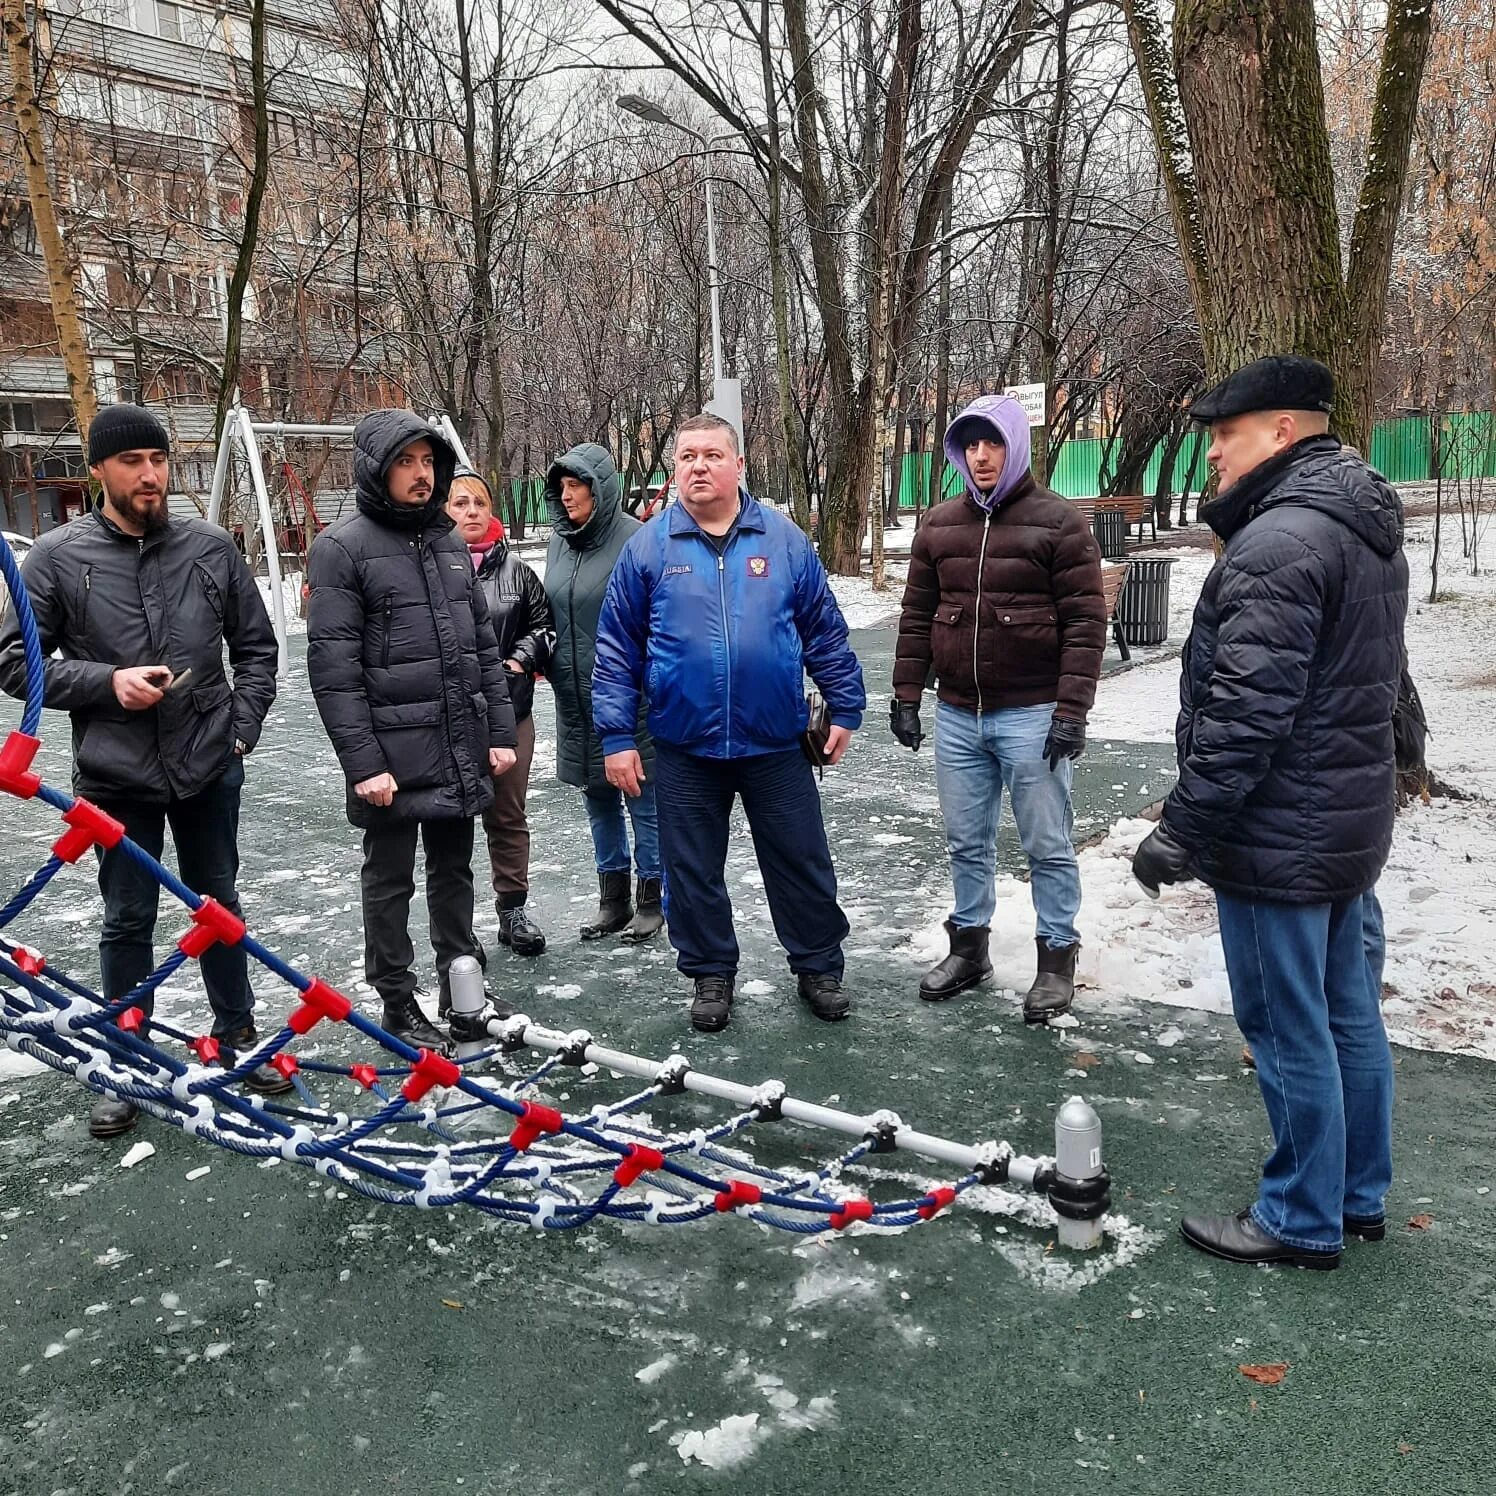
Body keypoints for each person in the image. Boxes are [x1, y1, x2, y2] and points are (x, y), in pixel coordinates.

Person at [1131, 355, 1407, 1271]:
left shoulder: (1280, 540)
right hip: (1346, 819)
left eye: (1225, 436)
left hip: (1281, 829)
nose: (1212, 454)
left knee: (1290, 1023)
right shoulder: (1360, 519)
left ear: (1282, 431)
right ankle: (1355, 1195)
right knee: (1347, 1013)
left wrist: (1183, 831)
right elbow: (1383, 682)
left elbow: (1246, 714)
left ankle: (1299, 1216)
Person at [0, 402, 284, 1138]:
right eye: (134, 462)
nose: (151, 475)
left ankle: (238, 1037)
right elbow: (12, 662)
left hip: (208, 762)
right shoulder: (57, 558)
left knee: (218, 901)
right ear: (99, 470)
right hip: (117, 777)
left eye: (159, 460)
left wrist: (241, 734)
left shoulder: (211, 547)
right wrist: (105, 683)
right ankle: (126, 1056)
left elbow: (256, 650)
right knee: (127, 916)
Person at [593, 412, 866, 1032]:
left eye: (712, 455)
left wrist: (844, 704)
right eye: (687, 456)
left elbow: (823, 629)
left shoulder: (784, 541)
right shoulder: (648, 548)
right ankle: (711, 973)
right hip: (686, 744)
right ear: (675, 468)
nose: (698, 466)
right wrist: (616, 737)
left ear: (739, 465)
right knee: (691, 872)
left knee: (800, 861)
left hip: (774, 741)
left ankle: (818, 966)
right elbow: (616, 649)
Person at [307, 413, 517, 1048]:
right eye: (406, 462)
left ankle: (462, 984)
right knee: (390, 877)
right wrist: (364, 763)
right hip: (391, 758)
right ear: (377, 467)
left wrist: (497, 731)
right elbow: (334, 671)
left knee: (454, 870)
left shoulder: (449, 541)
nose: (422, 474)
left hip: (456, 741)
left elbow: (482, 647)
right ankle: (395, 999)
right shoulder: (341, 549)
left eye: (428, 462)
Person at [892, 394, 1105, 1021]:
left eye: (994, 443)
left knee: (1047, 842)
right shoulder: (939, 524)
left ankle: (1057, 957)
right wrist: (907, 694)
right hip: (958, 714)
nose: (982, 457)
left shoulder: (1059, 523)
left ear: (1016, 446)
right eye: (971, 445)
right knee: (965, 839)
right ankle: (970, 947)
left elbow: (1086, 623)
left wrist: (1071, 709)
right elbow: (917, 615)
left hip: (1032, 712)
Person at [543, 443, 662, 943]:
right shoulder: (557, 544)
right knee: (597, 799)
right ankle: (610, 898)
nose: (568, 496)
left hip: (631, 696)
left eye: (577, 486)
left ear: (601, 488)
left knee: (642, 798)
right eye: (562, 487)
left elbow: (659, 621)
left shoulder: (639, 541)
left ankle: (653, 897)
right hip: (574, 696)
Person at [447, 465, 554, 956]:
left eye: (479, 503)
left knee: (507, 814)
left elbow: (544, 628)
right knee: (450, 822)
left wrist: (518, 661)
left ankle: (512, 909)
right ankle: (456, 926)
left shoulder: (518, 573)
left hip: (510, 714)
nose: (471, 512)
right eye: (460, 503)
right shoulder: (428, 568)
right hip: (447, 721)